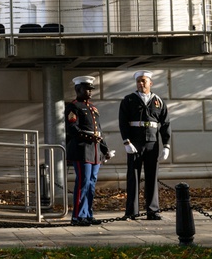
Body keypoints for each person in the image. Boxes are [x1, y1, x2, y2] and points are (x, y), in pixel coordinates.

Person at [118, 70, 171, 220]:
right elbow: (123, 122)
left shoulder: (158, 101)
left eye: (144, 81)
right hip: (135, 143)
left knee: (152, 177)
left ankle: (152, 210)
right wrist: (126, 141)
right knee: (132, 177)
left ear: (150, 83)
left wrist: (166, 145)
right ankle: (131, 212)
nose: (141, 84)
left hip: (152, 143)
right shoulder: (128, 100)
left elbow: (165, 124)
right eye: (138, 81)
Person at [65, 75, 114, 226]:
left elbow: (99, 130)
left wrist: (105, 150)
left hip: (95, 151)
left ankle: (88, 214)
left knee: (91, 183)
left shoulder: (93, 108)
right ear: (78, 89)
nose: (90, 92)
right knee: (83, 183)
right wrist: (88, 137)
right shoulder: (73, 107)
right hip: (82, 150)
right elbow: (72, 128)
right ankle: (77, 216)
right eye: (87, 89)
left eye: (91, 89)